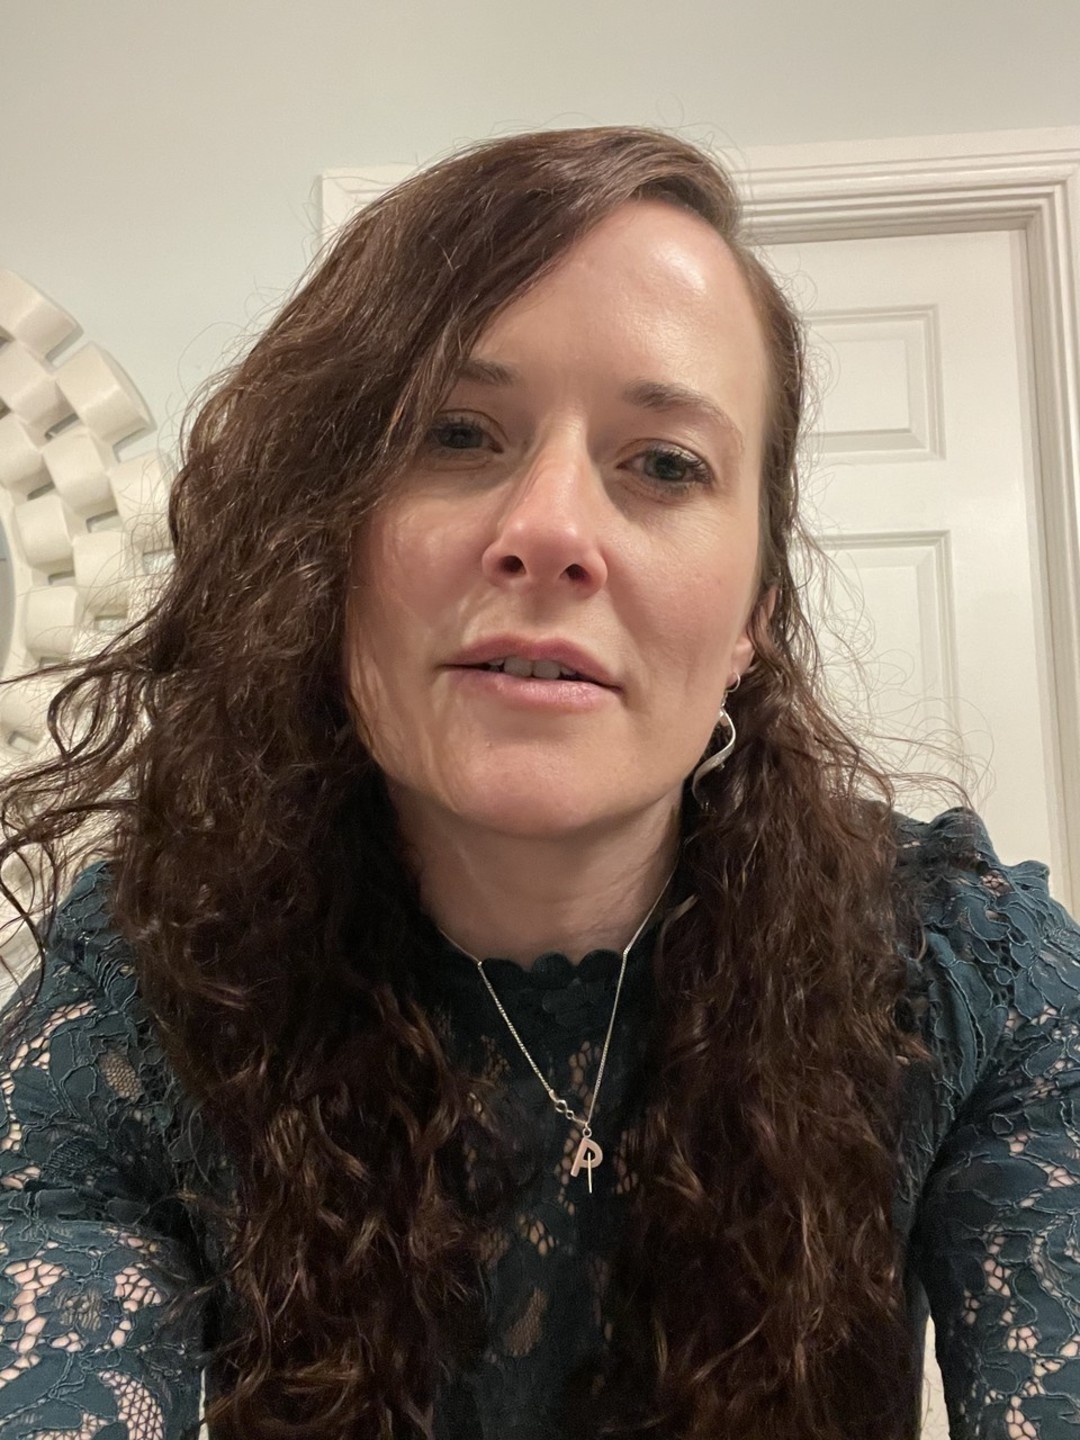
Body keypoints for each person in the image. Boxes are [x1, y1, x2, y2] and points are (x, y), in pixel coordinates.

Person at [0, 125, 1077, 1440]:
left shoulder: (965, 972)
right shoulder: (142, 998)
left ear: (755, 614)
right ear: (332, 547)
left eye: (665, 463)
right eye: (456, 434)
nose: (552, 531)